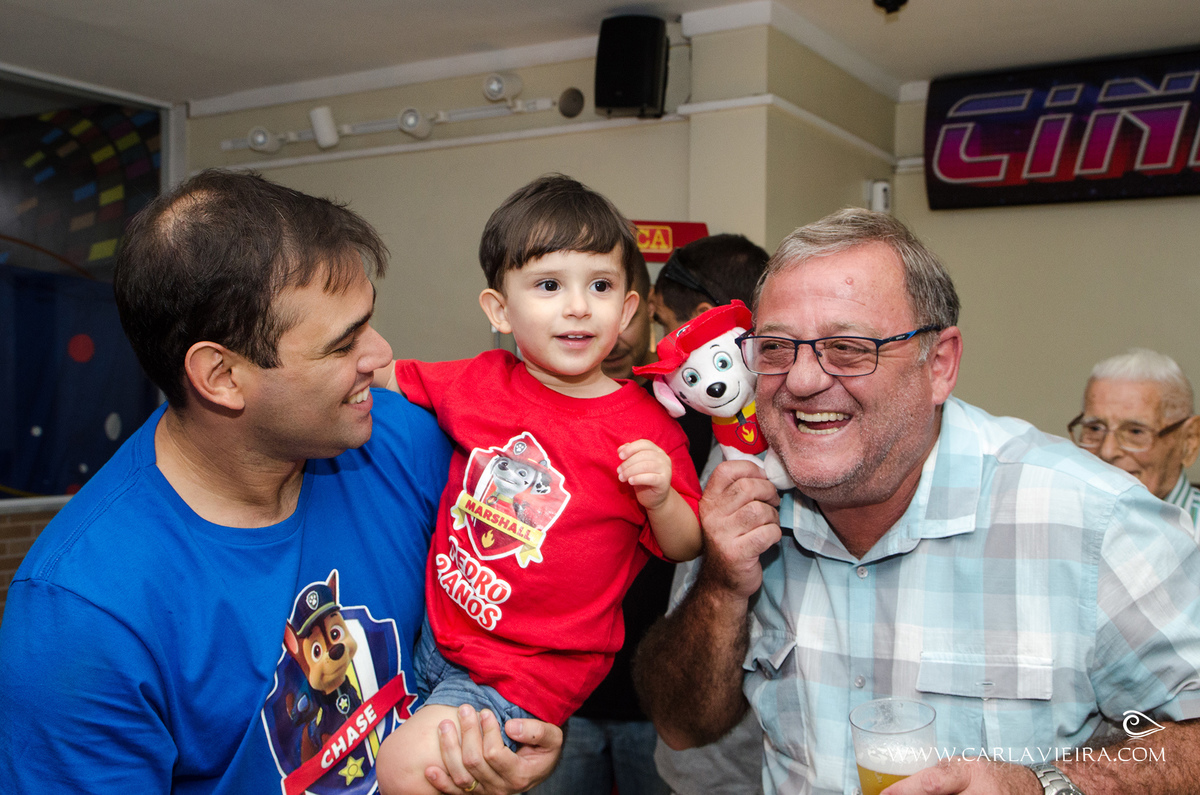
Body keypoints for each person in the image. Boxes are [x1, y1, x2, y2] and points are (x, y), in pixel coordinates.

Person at [0, 170, 562, 795]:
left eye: (368, 322)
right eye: (342, 344)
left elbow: (531, 591)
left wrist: (508, 717)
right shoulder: (83, 614)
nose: (381, 356)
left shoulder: (407, 442)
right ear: (222, 376)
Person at [634, 208, 1200, 795]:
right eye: (775, 348)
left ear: (940, 365)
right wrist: (722, 586)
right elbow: (681, 726)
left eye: (848, 347)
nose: (800, 381)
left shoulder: (1093, 520)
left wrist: (1045, 784)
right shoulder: (747, 503)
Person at [373, 174, 702, 795]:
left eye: (600, 286)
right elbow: (384, 377)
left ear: (628, 310)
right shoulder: (477, 381)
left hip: (524, 670)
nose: (578, 306)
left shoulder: (649, 426)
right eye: (549, 286)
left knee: (405, 771)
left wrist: (661, 497)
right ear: (500, 310)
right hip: (435, 632)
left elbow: (686, 545)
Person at [533, 251, 676, 795]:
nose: (601, 330)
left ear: (637, 310)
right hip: (559, 698)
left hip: (655, 700)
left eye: (609, 299)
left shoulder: (679, 416)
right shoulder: (529, 404)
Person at [1070, 348, 1200, 526]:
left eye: (1135, 431)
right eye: (1094, 428)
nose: (1107, 452)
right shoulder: (1058, 520)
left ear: (1189, 440)